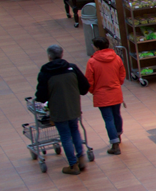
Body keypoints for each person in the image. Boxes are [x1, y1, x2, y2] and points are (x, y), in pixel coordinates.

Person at [35, 45, 91, 175]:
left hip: (58, 109)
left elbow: (41, 96)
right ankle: (81, 158)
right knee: (75, 130)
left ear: (49, 56)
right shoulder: (72, 68)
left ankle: (73, 165)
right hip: (73, 107)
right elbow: (84, 87)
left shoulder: (45, 72)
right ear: (62, 54)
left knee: (65, 136)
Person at [84, 39, 126, 155]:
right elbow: (122, 74)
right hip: (116, 92)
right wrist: (117, 84)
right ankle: (118, 135)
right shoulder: (116, 58)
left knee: (108, 118)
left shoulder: (92, 62)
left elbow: (89, 80)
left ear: (97, 47)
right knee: (116, 114)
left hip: (101, 94)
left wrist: (94, 91)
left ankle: (114, 143)